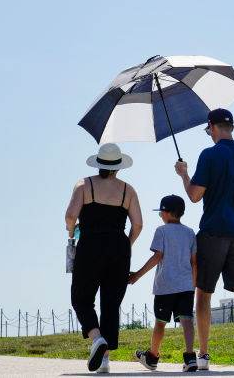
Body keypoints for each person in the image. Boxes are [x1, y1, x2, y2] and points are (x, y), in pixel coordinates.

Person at [175, 108, 234, 372]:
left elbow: (195, 196)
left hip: (214, 232)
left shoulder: (209, 155)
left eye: (208, 130)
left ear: (212, 127)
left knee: (204, 293)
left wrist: (184, 174)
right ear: (232, 127)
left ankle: (204, 354)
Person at [65, 144, 143, 374]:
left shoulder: (84, 185)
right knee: (111, 303)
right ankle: (105, 360)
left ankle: (97, 338)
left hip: (90, 244)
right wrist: (125, 245)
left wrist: (72, 233)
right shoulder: (128, 190)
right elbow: (138, 224)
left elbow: (70, 216)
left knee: (81, 298)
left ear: (98, 164)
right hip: (118, 247)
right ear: (118, 167)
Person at [129, 195, 198, 373]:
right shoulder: (190, 233)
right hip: (186, 285)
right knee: (187, 321)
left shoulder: (161, 231)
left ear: (167, 213)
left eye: (161, 212)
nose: (160, 215)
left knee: (160, 323)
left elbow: (157, 256)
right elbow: (194, 262)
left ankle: (152, 356)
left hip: (165, 286)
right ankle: (190, 357)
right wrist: (193, 285)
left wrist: (137, 275)